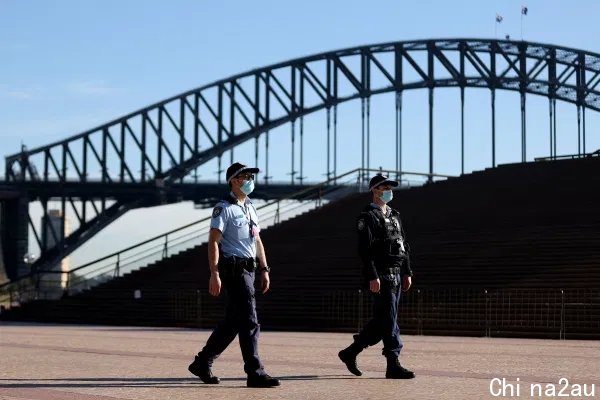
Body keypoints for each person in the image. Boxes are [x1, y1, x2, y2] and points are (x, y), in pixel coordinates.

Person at [188, 162, 280, 388]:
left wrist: (265, 268)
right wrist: (214, 273)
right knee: (250, 320)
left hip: (249, 268)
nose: (250, 180)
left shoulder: (250, 207)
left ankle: (202, 362)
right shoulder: (223, 208)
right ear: (233, 181)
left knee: (232, 323)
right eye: (245, 176)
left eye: (251, 176)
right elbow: (213, 241)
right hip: (234, 269)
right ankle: (255, 373)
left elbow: (256, 240)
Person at [338, 173, 415, 379]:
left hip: (397, 273)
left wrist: (407, 271)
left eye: (391, 187)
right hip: (381, 275)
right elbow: (365, 249)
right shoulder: (367, 216)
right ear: (375, 190)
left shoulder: (394, 214)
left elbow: (403, 245)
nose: (389, 190)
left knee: (384, 319)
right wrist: (373, 276)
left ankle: (350, 352)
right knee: (390, 320)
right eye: (385, 187)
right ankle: (393, 363)